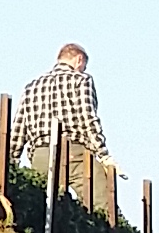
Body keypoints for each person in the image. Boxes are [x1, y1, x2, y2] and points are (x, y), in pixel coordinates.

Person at [13, 43, 107, 173]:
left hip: (40, 155)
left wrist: (11, 163)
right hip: (73, 152)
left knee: (44, 190)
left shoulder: (31, 87)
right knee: (102, 190)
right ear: (79, 59)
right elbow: (88, 117)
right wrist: (103, 154)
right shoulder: (81, 80)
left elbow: (18, 130)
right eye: (83, 67)